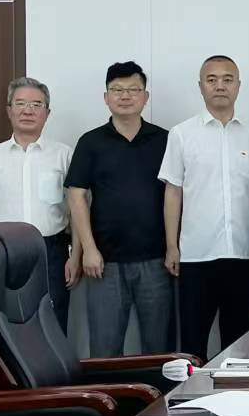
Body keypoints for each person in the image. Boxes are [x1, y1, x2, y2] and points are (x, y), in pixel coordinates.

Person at [160, 55, 249, 357]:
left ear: (238, 86)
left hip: (243, 253)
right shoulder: (181, 134)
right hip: (196, 255)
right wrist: (172, 246)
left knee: (239, 342)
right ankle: (191, 389)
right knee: (192, 342)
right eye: (212, 80)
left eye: (227, 79)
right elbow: (173, 192)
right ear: (200, 86)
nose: (220, 86)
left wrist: (239, 208)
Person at [65, 62, 173, 355]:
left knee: (159, 350)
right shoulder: (90, 142)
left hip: (157, 261)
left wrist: (173, 248)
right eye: (117, 90)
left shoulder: (165, 140)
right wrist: (88, 250)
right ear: (106, 97)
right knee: (104, 350)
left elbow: (176, 195)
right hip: (104, 263)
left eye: (133, 90)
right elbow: (76, 196)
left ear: (145, 97)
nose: (125, 96)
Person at [0, 76, 76, 331]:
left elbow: (77, 211)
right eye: (21, 103)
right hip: (3, 250)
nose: (28, 110)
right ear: (9, 110)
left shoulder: (64, 155)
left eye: (36, 104)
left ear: (47, 113)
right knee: (7, 323)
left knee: (53, 322)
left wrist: (75, 256)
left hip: (51, 251)